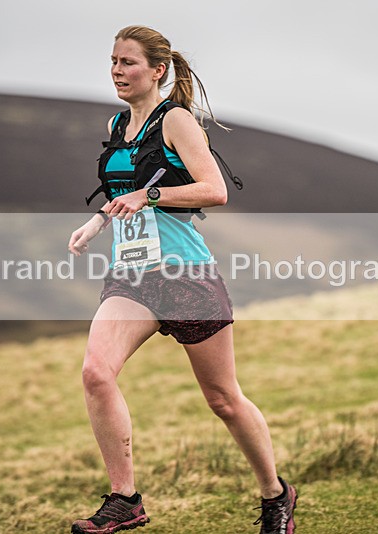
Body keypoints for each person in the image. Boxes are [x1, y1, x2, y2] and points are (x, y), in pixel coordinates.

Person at [67, 25, 297, 534]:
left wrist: (149, 199)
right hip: (131, 275)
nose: (117, 72)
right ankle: (124, 500)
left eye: (127, 63)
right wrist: (97, 221)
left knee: (223, 399)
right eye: (112, 62)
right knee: (95, 373)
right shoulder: (118, 123)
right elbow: (124, 189)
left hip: (186, 276)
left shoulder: (176, 121)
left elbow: (214, 191)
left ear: (157, 70)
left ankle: (276, 495)